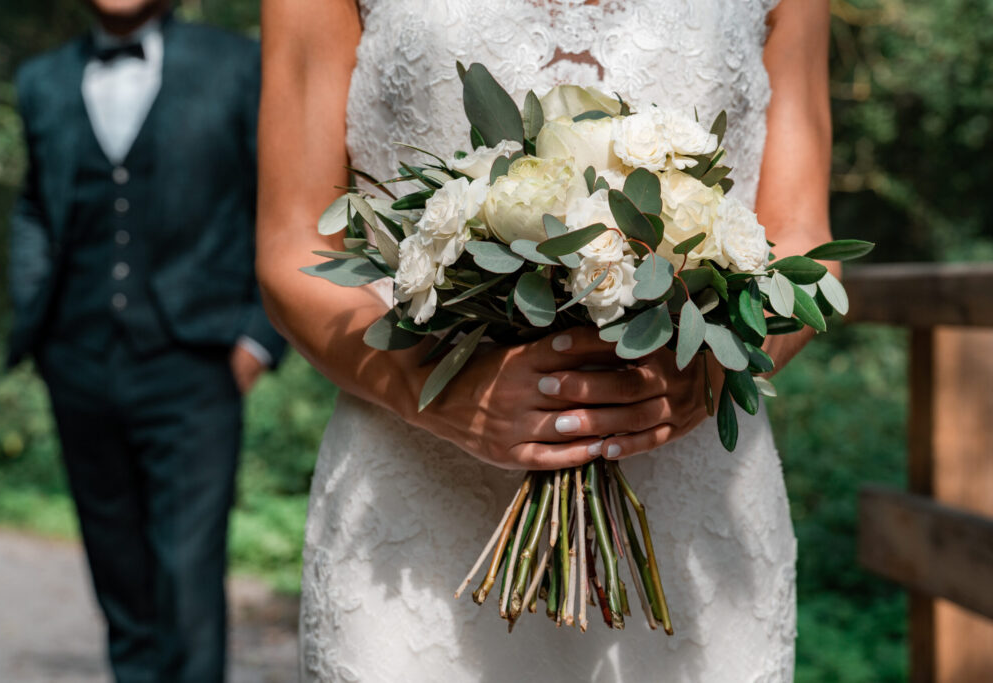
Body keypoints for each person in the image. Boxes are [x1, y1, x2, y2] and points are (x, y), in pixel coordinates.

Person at [257, 0, 832, 680]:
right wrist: (427, 384)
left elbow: (806, 243)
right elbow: (290, 243)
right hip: (412, 529)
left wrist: (700, 373)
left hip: (695, 521)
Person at [8, 1, 285, 680]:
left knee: (188, 583)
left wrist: (259, 336)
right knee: (119, 582)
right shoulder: (41, 81)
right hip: (76, 363)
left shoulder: (236, 64)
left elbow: (279, 203)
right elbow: (34, 207)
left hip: (196, 367)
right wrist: (36, 317)